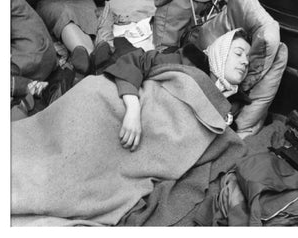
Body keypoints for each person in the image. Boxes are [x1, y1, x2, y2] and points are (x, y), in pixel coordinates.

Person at [102, 28, 251, 152]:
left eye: (248, 59)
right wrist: (133, 109)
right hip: (128, 106)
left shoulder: (232, 105)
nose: (245, 61)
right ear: (221, 53)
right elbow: (137, 61)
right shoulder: (186, 61)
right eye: (238, 53)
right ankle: (104, 51)